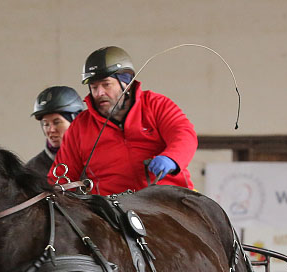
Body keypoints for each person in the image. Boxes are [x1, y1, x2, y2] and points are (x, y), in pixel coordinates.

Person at [49, 45, 198, 195]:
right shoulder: (80, 126)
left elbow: (184, 135)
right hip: (110, 209)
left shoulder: (157, 105)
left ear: (126, 84)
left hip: (167, 199)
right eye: (94, 87)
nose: (99, 93)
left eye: (106, 84)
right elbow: (62, 176)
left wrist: (171, 158)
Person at [26, 86, 86, 176]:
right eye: (46, 124)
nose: (51, 130)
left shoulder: (100, 159)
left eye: (57, 122)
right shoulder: (32, 171)